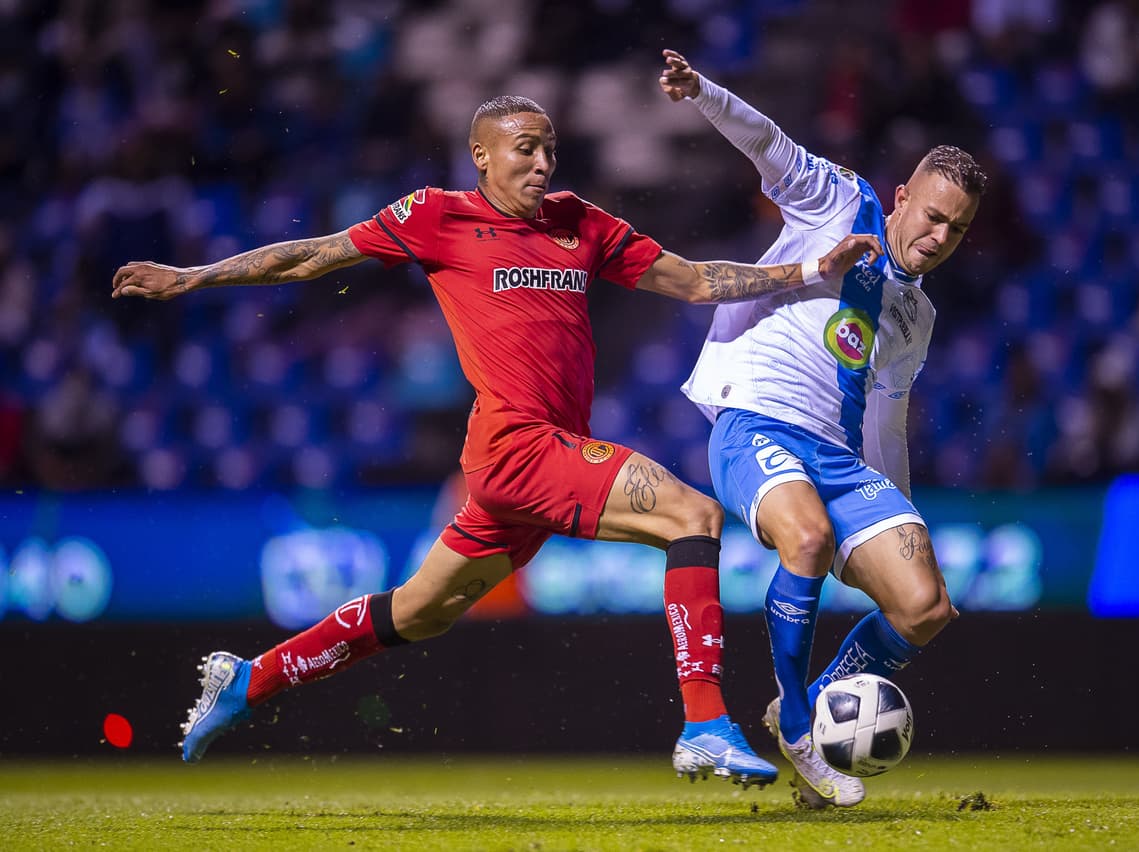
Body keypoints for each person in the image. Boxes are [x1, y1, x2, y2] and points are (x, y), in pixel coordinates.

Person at [111, 94, 881, 784]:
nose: (543, 162)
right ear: (481, 155)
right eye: (525, 149)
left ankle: (248, 680)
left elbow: (693, 280)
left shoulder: (581, 221)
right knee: (693, 517)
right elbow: (316, 254)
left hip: (524, 469)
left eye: (549, 148)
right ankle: (706, 726)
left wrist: (811, 267)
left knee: (418, 611)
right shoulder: (435, 216)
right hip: (518, 447)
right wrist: (193, 277)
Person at [659, 49, 985, 807]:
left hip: (837, 459)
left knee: (925, 606)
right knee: (804, 538)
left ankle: (813, 699)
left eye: (957, 230)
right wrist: (702, 91)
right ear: (903, 197)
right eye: (932, 215)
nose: (938, 236)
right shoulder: (838, 201)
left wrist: (895, 521)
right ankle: (801, 729)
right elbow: (766, 140)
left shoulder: (916, 316)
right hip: (756, 420)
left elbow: (889, 420)